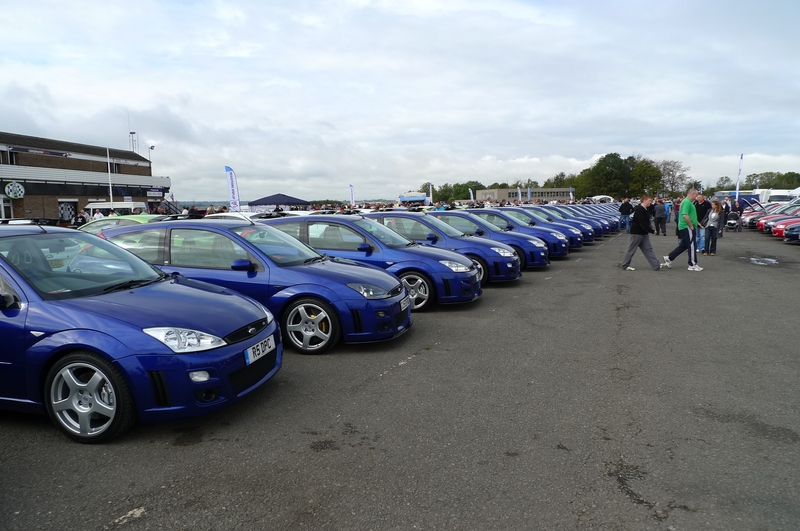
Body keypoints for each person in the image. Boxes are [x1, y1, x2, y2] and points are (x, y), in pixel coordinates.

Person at [620, 195, 668, 272]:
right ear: (645, 200)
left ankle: (656, 265)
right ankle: (625, 265)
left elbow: (646, 221)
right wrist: (652, 230)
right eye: (649, 200)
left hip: (643, 233)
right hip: (637, 233)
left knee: (648, 249)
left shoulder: (645, 209)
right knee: (631, 249)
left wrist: (649, 230)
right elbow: (642, 222)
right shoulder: (639, 209)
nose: (651, 202)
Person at [664, 188, 702, 271]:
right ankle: (692, 264)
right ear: (692, 194)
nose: (696, 197)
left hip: (686, 226)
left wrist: (696, 222)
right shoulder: (687, 202)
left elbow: (689, 215)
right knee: (692, 245)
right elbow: (685, 215)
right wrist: (691, 225)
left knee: (684, 245)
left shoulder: (688, 202)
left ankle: (670, 257)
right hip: (687, 226)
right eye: (696, 195)